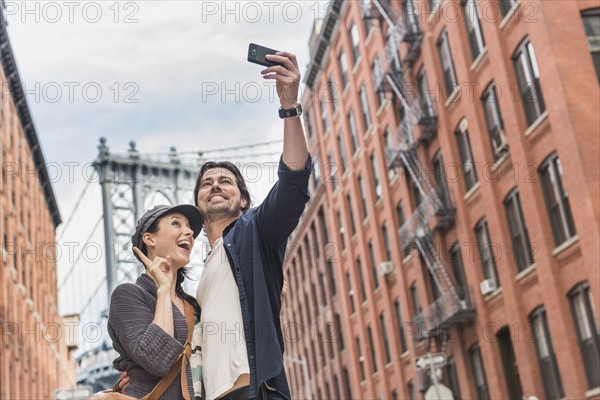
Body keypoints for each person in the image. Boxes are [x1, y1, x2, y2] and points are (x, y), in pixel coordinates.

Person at [193, 50, 310, 400]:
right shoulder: (200, 274)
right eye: (206, 182)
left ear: (244, 201)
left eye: (225, 181)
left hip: (252, 390)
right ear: (198, 204)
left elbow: (293, 183)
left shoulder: (255, 232)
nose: (215, 185)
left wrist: (289, 107)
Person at [108, 204, 203, 399]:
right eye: (176, 223)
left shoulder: (194, 306)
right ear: (149, 238)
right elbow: (157, 359)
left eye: (189, 228)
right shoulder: (127, 295)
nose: (189, 232)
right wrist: (164, 289)